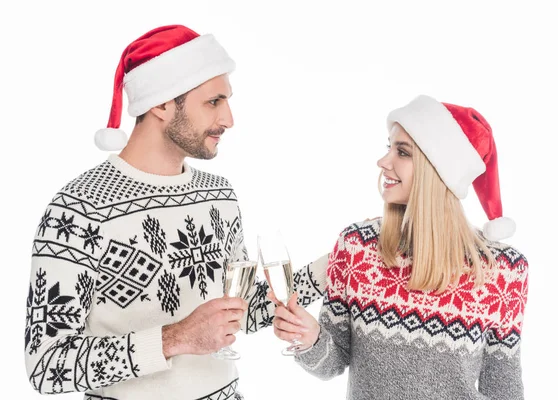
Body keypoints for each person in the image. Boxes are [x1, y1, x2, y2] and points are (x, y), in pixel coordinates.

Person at [24, 24, 327, 400]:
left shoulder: (219, 195)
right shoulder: (79, 210)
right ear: (162, 103)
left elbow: (242, 312)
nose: (229, 119)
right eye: (214, 102)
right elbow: (46, 365)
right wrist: (176, 338)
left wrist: (338, 264)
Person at [271, 95, 529, 399]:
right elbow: (334, 361)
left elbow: (503, 388)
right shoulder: (356, 247)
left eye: (402, 152)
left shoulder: (504, 270)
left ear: (438, 171)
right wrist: (310, 338)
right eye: (389, 147)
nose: (384, 162)